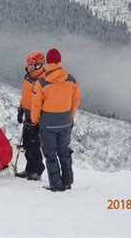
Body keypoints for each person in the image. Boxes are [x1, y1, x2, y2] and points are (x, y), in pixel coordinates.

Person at [31, 48, 81, 191]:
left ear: (47, 61)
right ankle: (67, 181)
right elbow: (76, 100)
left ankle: (56, 183)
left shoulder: (42, 82)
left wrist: (34, 121)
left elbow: (36, 105)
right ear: (59, 61)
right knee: (64, 151)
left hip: (48, 124)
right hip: (66, 121)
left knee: (50, 154)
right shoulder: (71, 79)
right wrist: (71, 115)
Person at [15, 51, 46, 181]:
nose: (27, 66)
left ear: (38, 65)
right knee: (27, 144)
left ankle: (38, 170)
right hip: (27, 114)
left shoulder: (44, 80)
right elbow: (25, 95)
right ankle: (29, 169)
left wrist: (38, 118)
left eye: (30, 64)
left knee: (34, 144)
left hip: (37, 117)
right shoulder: (27, 77)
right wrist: (21, 109)